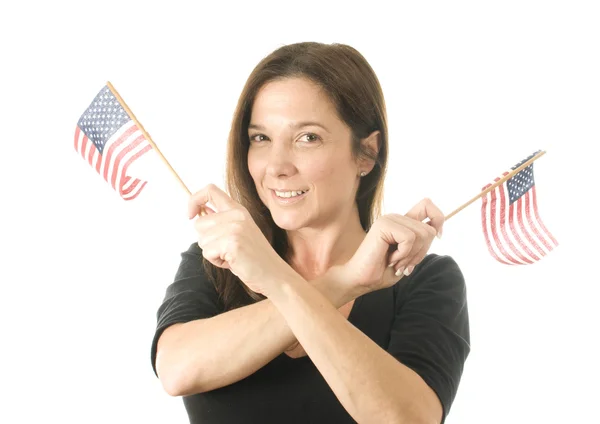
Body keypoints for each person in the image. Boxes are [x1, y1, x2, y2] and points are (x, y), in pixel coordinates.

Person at [150, 41, 470, 424]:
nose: (277, 166)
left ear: (366, 153)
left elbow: (408, 419)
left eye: (308, 138)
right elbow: (177, 369)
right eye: (260, 138)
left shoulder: (423, 278)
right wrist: (344, 282)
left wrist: (278, 280)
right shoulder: (218, 259)